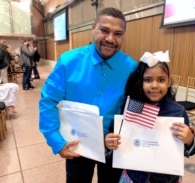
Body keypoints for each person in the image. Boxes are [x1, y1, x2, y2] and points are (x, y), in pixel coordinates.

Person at [39, 7, 138, 183]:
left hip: (114, 145)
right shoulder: (68, 62)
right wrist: (56, 141)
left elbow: (149, 101)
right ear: (93, 27)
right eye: (104, 30)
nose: (110, 39)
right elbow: (49, 101)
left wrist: (180, 121)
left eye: (118, 33)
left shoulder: (131, 68)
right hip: (77, 143)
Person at [105, 51, 195, 183]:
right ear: (140, 82)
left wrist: (189, 140)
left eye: (161, 80)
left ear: (168, 81)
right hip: (134, 177)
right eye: (148, 80)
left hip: (166, 179)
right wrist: (110, 141)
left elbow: (187, 149)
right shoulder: (133, 107)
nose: (154, 85)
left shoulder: (177, 112)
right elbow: (119, 136)